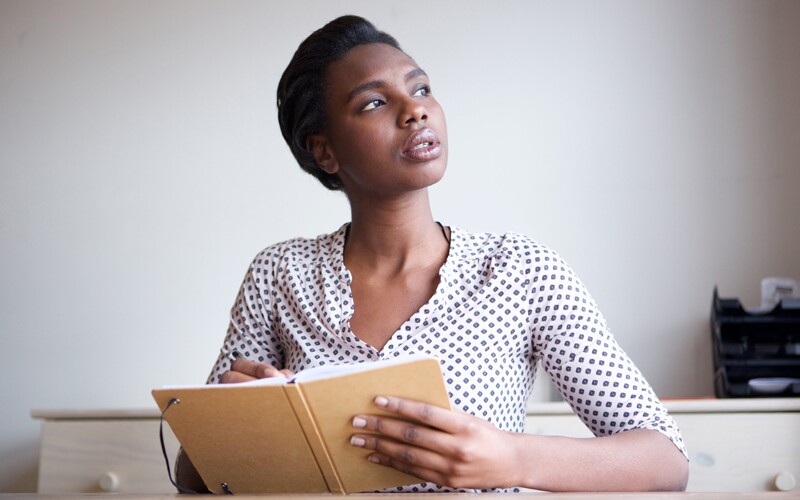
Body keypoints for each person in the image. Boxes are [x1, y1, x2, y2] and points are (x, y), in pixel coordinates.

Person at [202, 15, 689, 493]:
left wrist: (515, 458)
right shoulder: (279, 274)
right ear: (324, 151)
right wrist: (240, 423)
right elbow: (194, 471)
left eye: (420, 89)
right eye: (374, 102)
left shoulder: (520, 270)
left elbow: (666, 459)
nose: (415, 111)